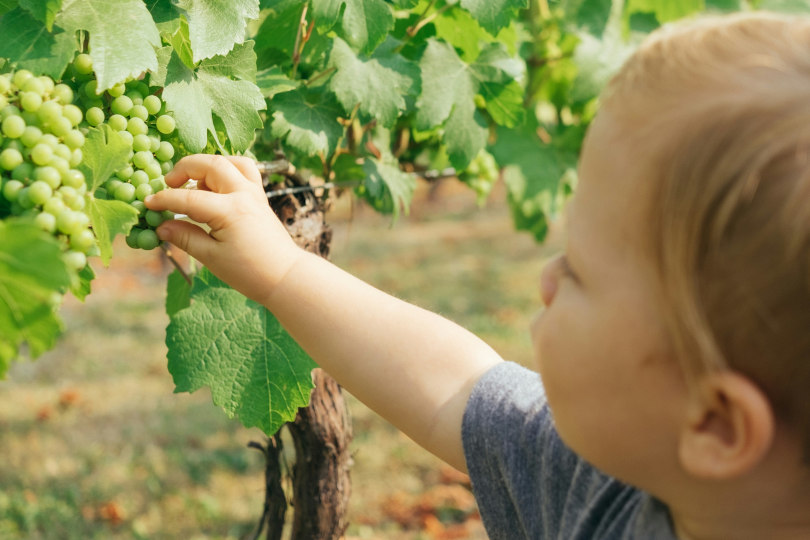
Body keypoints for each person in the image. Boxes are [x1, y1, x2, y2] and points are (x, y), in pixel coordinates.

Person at [145, 11, 810, 539]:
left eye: (578, 271)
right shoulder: (610, 478)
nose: (547, 279)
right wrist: (281, 271)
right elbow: (454, 382)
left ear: (718, 425)